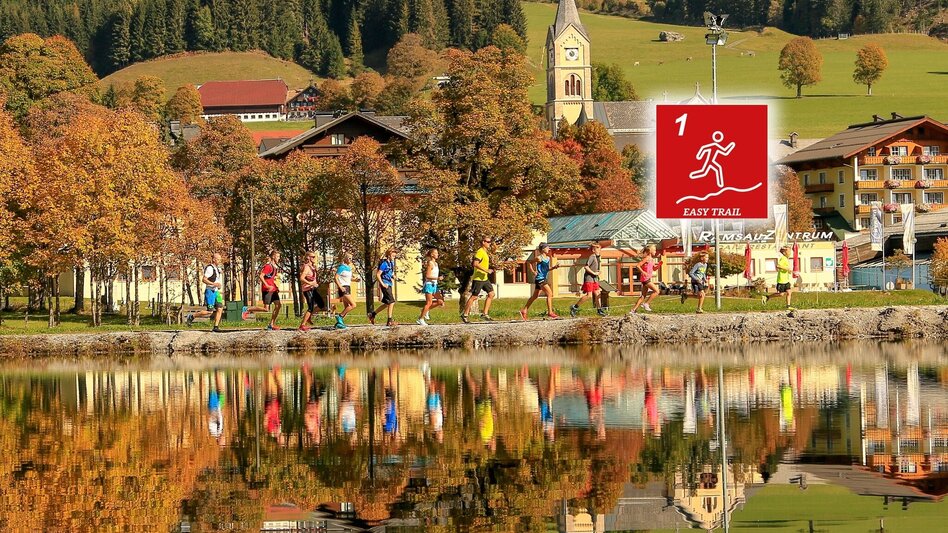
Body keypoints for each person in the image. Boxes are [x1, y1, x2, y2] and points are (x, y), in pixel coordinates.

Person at [519, 243, 561, 320]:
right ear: (543, 249)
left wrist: (555, 267)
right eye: (547, 247)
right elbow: (530, 263)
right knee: (550, 294)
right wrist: (533, 271)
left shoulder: (548, 258)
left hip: (544, 278)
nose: (549, 248)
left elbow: (547, 269)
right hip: (540, 279)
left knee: (535, 296)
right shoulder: (539, 258)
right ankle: (550, 312)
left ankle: (524, 310)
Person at [186, 253, 225, 333]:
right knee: (209, 311)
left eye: (220, 259)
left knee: (220, 308)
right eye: (218, 259)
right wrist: (214, 284)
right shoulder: (210, 268)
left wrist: (219, 286)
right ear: (214, 259)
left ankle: (216, 326)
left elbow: (217, 279)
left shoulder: (217, 269)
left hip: (216, 292)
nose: (219, 261)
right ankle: (192, 316)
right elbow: (204, 279)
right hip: (210, 292)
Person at [246, 250, 283, 330]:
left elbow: (272, 279)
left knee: (278, 305)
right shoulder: (268, 266)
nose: (278, 258)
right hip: (267, 290)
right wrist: (267, 285)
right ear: (273, 256)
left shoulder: (275, 267)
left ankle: (271, 324)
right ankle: (247, 309)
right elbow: (261, 276)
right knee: (266, 309)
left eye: (279, 256)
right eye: (277, 256)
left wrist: (276, 287)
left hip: (273, 290)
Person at [462, 237, 496, 323]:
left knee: (491, 294)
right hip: (478, 278)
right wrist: (486, 270)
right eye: (488, 242)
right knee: (474, 297)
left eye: (490, 242)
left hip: (484, 278)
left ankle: (484, 314)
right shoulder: (480, 252)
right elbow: (475, 264)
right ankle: (465, 314)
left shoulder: (485, 252)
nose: (489, 243)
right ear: (483, 242)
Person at [571, 242, 606, 317]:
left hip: (595, 279)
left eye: (599, 248)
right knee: (589, 295)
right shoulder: (592, 257)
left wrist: (599, 272)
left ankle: (599, 310)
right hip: (589, 278)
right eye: (597, 248)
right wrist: (593, 273)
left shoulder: (598, 257)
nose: (599, 250)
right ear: (593, 250)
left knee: (597, 293)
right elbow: (586, 267)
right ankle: (575, 307)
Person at [368, 248, 398, 327]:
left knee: (387, 303)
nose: (394, 257)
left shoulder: (391, 263)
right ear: (388, 255)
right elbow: (378, 275)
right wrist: (382, 284)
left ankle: (372, 314)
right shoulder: (384, 263)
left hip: (389, 284)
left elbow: (389, 273)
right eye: (393, 255)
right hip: (385, 284)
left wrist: (393, 276)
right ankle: (389, 321)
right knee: (392, 301)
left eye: (395, 256)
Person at [298, 251, 327, 331]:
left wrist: (316, 283)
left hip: (313, 289)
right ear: (308, 258)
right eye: (313, 257)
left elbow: (313, 278)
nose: (315, 258)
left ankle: (309, 317)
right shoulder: (306, 267)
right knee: (310, 307)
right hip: (307, 289)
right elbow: (301, 278)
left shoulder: (313, 267)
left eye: (315, 257)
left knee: (321, 304)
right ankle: (302, 325)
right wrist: (310, 283)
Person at [629, 244, 661, 314]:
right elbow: (637, 266)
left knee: (643, 296)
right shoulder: (646, 258)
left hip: (646, 279)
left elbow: (654, 269)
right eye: (654, 250)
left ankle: (633, 310)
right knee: (657, 291)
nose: (655, 252)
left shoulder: (651, 259)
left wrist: (658, 265)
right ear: (650, 251)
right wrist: (643, 272)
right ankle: (646, 304)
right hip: (645, 279)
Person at [417, 248, 445, 326]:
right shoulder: (430, 263)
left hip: (434, 285)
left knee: (440, 301)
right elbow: (427, 276)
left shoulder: (436, 263)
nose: (437, 254)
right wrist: (437, 278)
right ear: (432, 254)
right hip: (429, 285)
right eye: (436, 253)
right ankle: (420, 319)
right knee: (429, 302)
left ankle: (425, 310)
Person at [763, 245, 796, 310]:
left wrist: (789, 271)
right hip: (781, 280)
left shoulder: (786, 259)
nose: (790, 253)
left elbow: (784, 269)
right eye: (789, 252)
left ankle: (788, 306)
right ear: (784, 253)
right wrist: (787, 269)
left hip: (786, 280)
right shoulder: (783, 258)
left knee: (789, 292)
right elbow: (778, 265)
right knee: (781, 294)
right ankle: (767, 297)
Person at [334, 252, 358, 330]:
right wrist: (340, 287)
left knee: (347, 307)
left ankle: (339, 324)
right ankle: (339, 316)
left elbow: (347, 278)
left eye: (351, 258)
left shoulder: (348, 268)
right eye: (349, 258)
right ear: (345, 258)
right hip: (343, 288)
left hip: (347, 287)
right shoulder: (341, 267)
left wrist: (355, 280)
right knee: (353, 305)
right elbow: (336, 277)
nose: (350, 260)